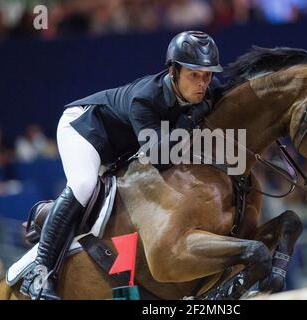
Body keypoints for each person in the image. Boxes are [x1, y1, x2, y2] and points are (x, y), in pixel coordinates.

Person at [19, 30, 224, 300]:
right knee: (84, 184)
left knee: (122, 211)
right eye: (194, 75)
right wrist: (191, 120)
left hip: (120, 150)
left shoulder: (204, 92)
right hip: (84, 130)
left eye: (207, 75)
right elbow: (160, 158)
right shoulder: (145, 98)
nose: (202, 83)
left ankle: (127, 292)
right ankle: (39, 271)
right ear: (173, 71)